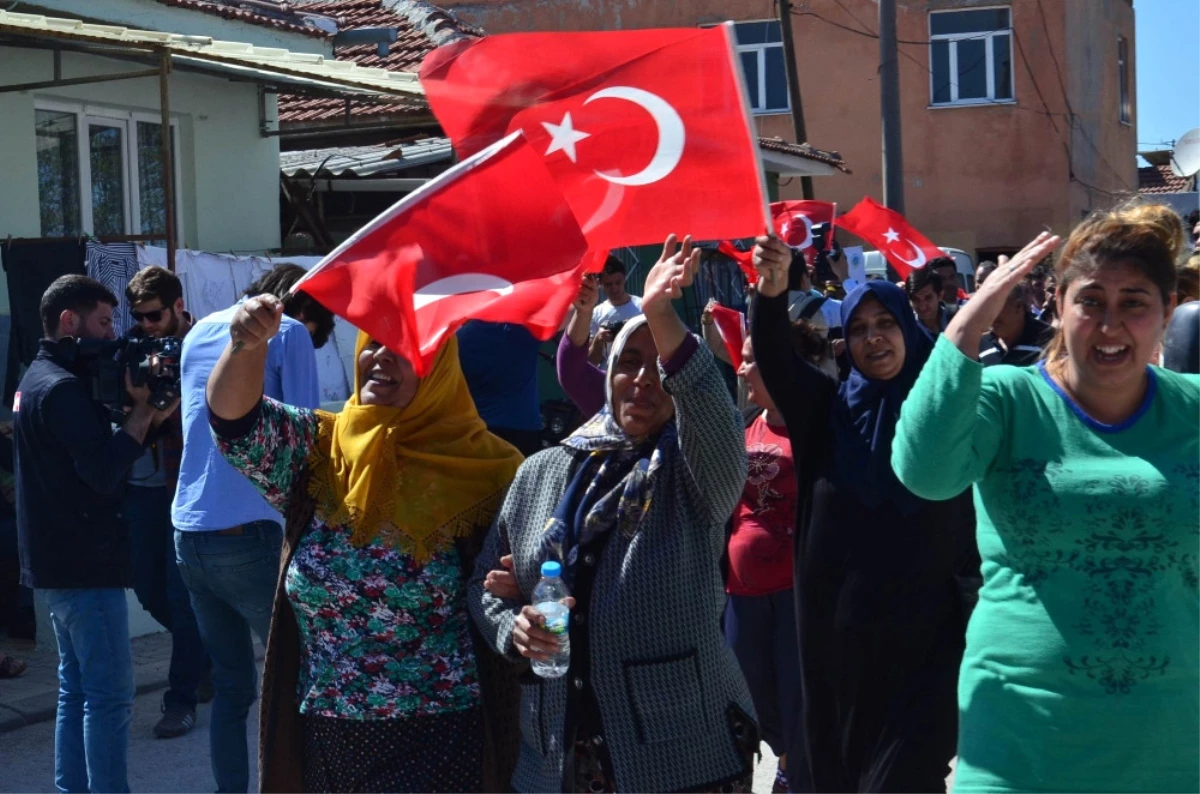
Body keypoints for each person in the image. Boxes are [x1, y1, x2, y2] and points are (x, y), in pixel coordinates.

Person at [892, 204, 1200, 793]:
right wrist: (964, 327)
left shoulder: (1194, 406)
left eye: (1134, 302)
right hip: (1019, 743)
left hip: (1173, 742)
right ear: (1058, 305)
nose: (1110, 324)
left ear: (1166, 312)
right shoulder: (1007, 398)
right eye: (1090, 301)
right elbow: (924, 473)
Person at [471, 236, 757, 794]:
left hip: (678, 749)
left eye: (660, 369)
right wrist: (516, 628)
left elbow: (713, 414)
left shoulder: (694, 473)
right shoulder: (544, 472)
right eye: (629, 362)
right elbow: (487, 586)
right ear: (607, 376)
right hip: (556, 750)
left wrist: (658, 313)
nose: (644, 379)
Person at [207, 293, 524, 793]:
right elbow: (234, 424)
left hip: (442, 742)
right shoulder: (319, 450)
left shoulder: (492, 472)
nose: (381, 355)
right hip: (326, 739)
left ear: (440, 367)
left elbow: (533, 584)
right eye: (374, 342)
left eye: (405, 347)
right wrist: (246, 344)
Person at [751, 236, 973, 794]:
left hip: (924, 651)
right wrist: (771, 291)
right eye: (858, 328)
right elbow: (775, 361)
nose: (873, 337)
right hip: (837, 654)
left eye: (886, 323)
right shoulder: (824, 415)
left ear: (908, 327)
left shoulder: (948, 410)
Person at [14, 275, 178, 794]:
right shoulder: (60, 390)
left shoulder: (35, 378)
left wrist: (143, 417)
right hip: (85, 567)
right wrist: (147, 411)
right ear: (69, 321)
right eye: (105, 323)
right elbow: (104, 471)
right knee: (107, 697)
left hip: (59, 563)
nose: (114, 337)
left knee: (76, 691)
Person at [172, 264, 324, 794]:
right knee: (302, 679)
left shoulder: (198, 331)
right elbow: (306, 440)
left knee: (233, 687)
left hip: (189, 530)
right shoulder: (290, 332)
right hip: (251, 530)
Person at [121, 266, 210, 739]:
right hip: (142, 488)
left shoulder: (205, 345)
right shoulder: (133, 347)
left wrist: (165, 396)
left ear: (177, 306)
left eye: (154, 315)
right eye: (138, 317)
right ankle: (205, 657)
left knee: (180, 596)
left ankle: (181, 699)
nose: (147, 325)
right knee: (145, 586)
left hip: (186, 488)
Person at [725, 335, 810, 794]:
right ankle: (782, 760)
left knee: (796, 693)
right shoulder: (742, 427)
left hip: (795, 591)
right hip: (742, 591)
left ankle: (793, 770)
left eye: (752, 361)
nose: (741, 369)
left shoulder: (815, 425)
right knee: (751, 693)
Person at [457, 320, 545, 456]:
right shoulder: (522, 331)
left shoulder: (459, 338)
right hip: (522, 429)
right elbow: (565, 316)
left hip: (476, 429)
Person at [978, 282, 1052, 367]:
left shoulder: (1050, 341)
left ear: (1018, 306)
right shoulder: (980, 345)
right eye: (987, 309)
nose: (991, 316)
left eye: (997, 308)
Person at [587, 257, 643, 365]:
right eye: (608, 284)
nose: (614, 288)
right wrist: (599, 339)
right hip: (608, 375)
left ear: (624, 279)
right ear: (600, 283)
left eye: (618, 283)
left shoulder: (642, 307)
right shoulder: (595, 313)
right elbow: (591, 362)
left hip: (638, 371)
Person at [905, 268, 947, 336]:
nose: (922, 307)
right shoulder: (907, 329)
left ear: (940, 296)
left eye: (928, 298)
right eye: (916, 299)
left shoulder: (958, 319)